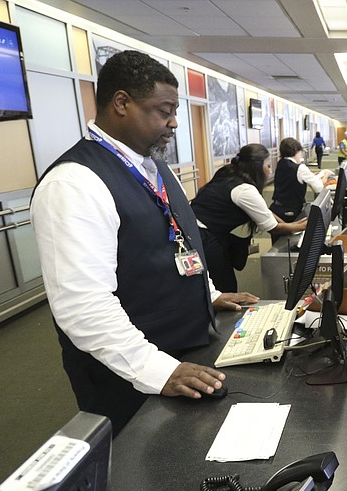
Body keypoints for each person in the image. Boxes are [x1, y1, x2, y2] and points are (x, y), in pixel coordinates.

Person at [31, 51, 259, 435]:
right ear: (122, 103)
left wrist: (209, 293)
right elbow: (83, 306)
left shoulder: (149, 165)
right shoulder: (73, 183)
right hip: (130, 379)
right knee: (145, 484)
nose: (173, 122)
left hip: (184, 353)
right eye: (164, 110)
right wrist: (159, 370)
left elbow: (173, 242)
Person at [191, 144, 307, 292]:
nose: (270, 171)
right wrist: (303, 226)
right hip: (204, 237)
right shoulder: (245, 189)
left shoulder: (230, 175)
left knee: (219, 281)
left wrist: (292, 225)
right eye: (268, 165)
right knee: (224, 285)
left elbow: (264, 212)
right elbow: (272, 228)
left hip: (197, 230)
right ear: (258, 167)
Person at [270, 137, 332, 226]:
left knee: (279, 238)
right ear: (296, 151)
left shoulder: (281, 163)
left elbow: (289, 180)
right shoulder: (300, 168)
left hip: (277, 209)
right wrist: (326, 175)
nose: (301, 155)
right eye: (300, 152)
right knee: (291, 237)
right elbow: (319, 188)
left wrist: (310, 176)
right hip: (291, 211)